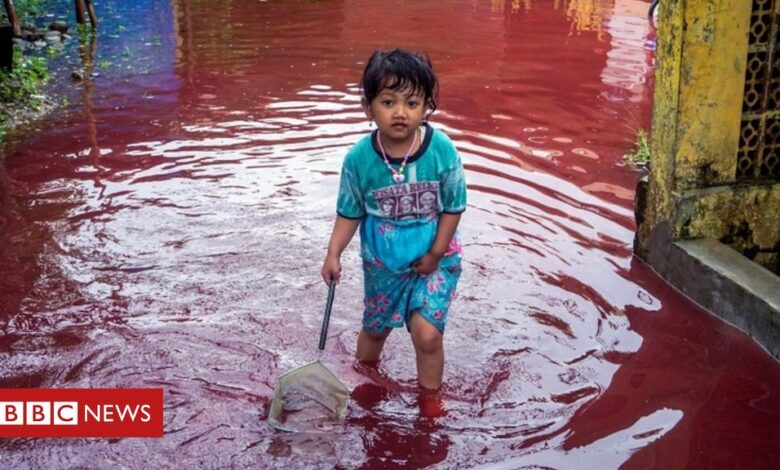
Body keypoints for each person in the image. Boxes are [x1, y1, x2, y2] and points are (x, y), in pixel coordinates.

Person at [321, 48, 467, 408]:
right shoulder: (359, 159)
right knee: (375, 329)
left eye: (412, 102)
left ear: (426, 106)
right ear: (369, 108)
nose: (400, 112)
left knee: (427, 334)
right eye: (388, 101)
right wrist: (333, 253)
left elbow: (454, 206)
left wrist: (435, 253)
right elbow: (350, 211)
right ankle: (365, 381)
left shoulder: (441, 150)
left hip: (434, 259)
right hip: (383, 264)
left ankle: (430, 401)